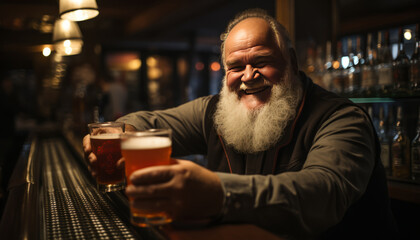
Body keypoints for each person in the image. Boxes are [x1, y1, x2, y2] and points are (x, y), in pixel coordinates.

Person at [83, 9, 398, 239]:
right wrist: (114, 134)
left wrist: (219, 193)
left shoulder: (342, 119)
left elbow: (321, 194)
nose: (248, 76)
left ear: (291, 60)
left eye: (261, 62)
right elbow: (149, 121)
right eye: (236, 67)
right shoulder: (214, 111)